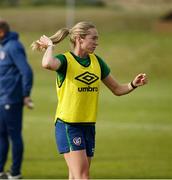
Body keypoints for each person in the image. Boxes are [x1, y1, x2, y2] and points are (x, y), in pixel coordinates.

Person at [31, 21, 147, 179]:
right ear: (80, 39)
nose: (96, 43)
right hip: (68, 125)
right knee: (83, 176)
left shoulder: (97, 62)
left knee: (75, 176)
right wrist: (50, 46)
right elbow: (47, 63)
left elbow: (117, 89)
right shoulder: (65, 60)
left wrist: (134, 84)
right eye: (93, 38)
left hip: (88, 125)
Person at [0, 19, 33, 179]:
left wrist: (26, 93)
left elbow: (26, 71)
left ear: (1, 32)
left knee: (14, 136)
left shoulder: (13, 46)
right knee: (1, 134)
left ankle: (15, 172)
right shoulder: (4, 46)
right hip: (1, 99)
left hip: (11, 99)